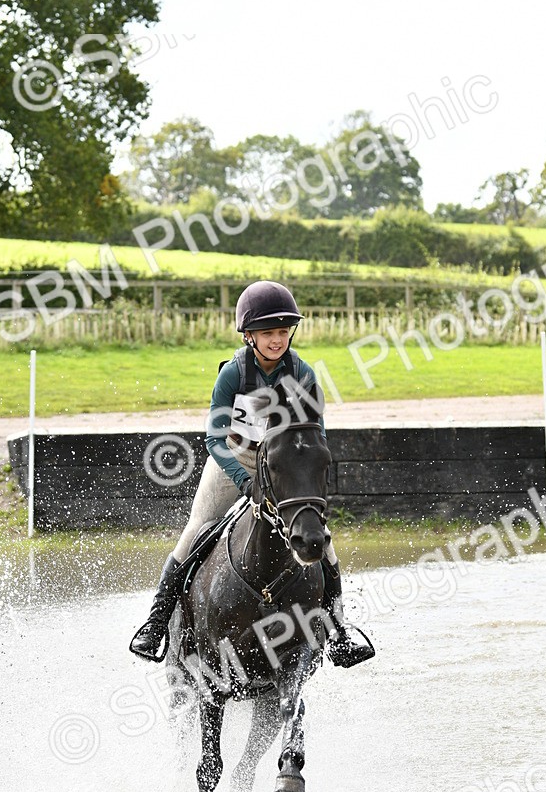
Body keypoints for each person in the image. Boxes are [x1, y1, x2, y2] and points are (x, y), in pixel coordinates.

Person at [129, 280, 375, 669]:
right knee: (195, 531)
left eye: (283, 332)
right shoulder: (233, 374)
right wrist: (244, 481)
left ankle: (339, 631)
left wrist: (304, 473)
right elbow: (214, 439)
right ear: (249, 336)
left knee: (324, 543)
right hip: (236, 459)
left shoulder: (303, 374)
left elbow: (317, 436)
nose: (277, 340)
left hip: (283, 462)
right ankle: (156, 623)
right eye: (268, 333)